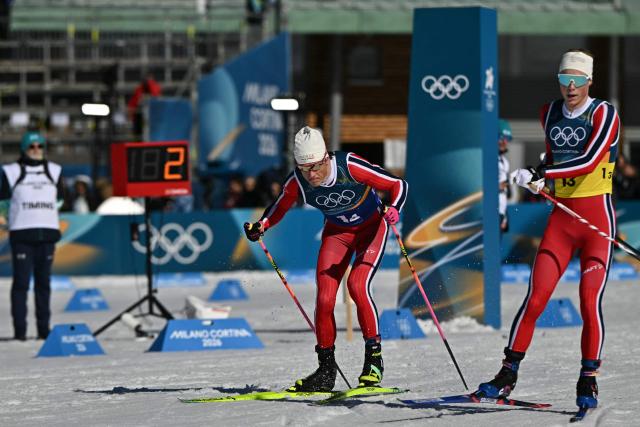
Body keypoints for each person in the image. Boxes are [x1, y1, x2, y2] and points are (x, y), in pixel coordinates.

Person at [477, 49, 621, 411]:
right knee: (536, 298)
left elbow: (588, 160)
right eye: (564, 79)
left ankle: (588, 378)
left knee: (589, 301)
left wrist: (543, 175)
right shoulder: (550, 112)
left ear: (589, 81)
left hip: (596, 221)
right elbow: (553, 158)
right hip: (562, 220)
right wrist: (539, 174)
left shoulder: (604, 112)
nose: (570, 87)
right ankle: (507, 373)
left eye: (577, 80)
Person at [244, 126, 408, 391]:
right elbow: (280, 205)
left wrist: (395, 208)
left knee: (357, 285)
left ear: (326, 158)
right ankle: (326, 371)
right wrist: (261, 225)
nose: (312, 175)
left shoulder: (349, 165)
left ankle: (374, 362)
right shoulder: (298, 179)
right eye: (305, 168)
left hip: (371, 229)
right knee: (324, 298)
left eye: (317, 167)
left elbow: (397, 184)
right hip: (337, 234)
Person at [0, 132, 64, 340]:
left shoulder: (54, 170)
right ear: (24, 148)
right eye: (32, 146)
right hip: (22, 235)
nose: (36, 150)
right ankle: (20, 332)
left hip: (47, 235)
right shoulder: (10, 171)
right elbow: (3, 201)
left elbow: (61, 199)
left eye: (40, 146)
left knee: (43, 284)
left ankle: (44, 331)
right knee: (21, 284)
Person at [498, 119, 512, 232]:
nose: (504, 142)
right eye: (501, 138)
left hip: (501, 210)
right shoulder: (486, 159)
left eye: (506, 139)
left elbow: (506, 192)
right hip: (490, 211)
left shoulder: (504, 161)